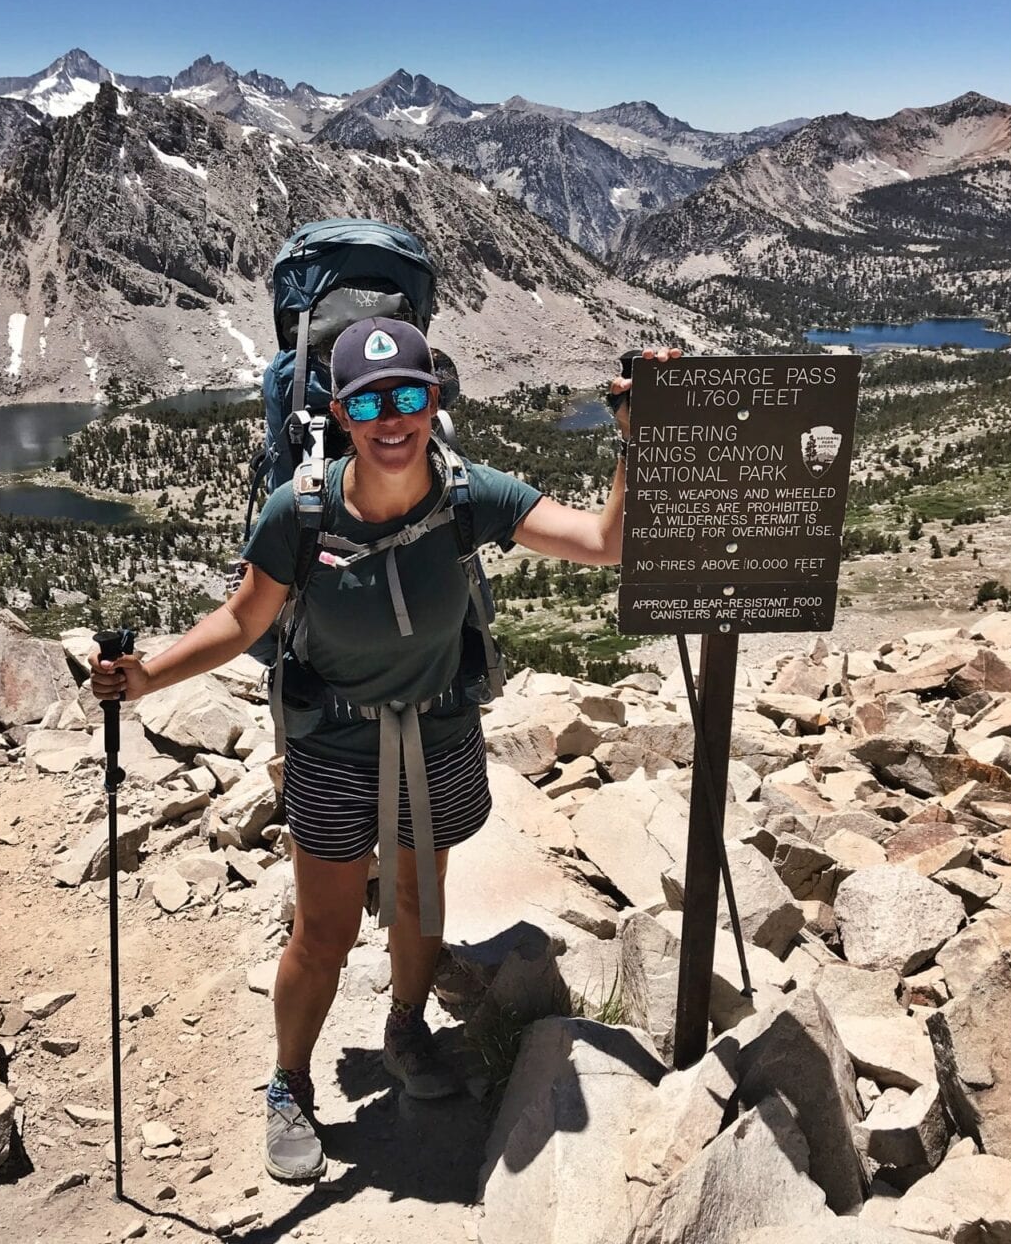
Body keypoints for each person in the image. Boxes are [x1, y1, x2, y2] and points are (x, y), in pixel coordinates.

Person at [90, 318, 680, 1183]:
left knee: (418, 900)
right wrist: (147, 679)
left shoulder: (470, 493)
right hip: (333, 744)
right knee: (323, 930)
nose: (391, 418)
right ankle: (290, 1082)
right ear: (341, 413)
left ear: (431, 400)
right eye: (369, 402)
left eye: (408, 395)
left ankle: (406, 1026)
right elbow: (243, 618)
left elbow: (605, 544)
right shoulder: (303, 508)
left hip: (436, 732)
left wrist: (639, 441)